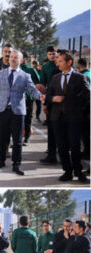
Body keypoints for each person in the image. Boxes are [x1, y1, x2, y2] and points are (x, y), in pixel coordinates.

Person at [0, 49, 44, 176]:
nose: (13, 59)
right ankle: (1, 160)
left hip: (18, 112)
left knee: (18, 140)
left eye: (16, 57)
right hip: (2, 110)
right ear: (9, 59)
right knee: (2, 138)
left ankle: (16, 164)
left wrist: (40, 96)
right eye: (11, 57)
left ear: (21, 60)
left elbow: (32, 90)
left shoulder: (26, 76)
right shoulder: (0, 74)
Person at [46, 49, 90, 183]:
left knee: (75, 145)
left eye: (60, 61)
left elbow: (88, 94)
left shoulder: (79, 77)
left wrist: (77, 103)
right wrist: (53, 99)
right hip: (57, 118)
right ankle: (67, 171)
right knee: (62, 146)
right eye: (57, 60)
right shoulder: (55, 78)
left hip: (74, 118)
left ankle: (78, 171)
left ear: (69, 62)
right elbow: (48, 96)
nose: (57, 62)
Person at [39, 46, 59, 164]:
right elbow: (42, 86)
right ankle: (51, 154)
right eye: (50, 54)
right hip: (51, 101)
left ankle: (64, 153)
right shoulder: (45, 68)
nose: (52, 56)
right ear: (47, 55)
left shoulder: (61, 65)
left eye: (54, 54)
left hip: (64, 101)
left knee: (63, 129)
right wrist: (45, 103)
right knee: (51, 128)